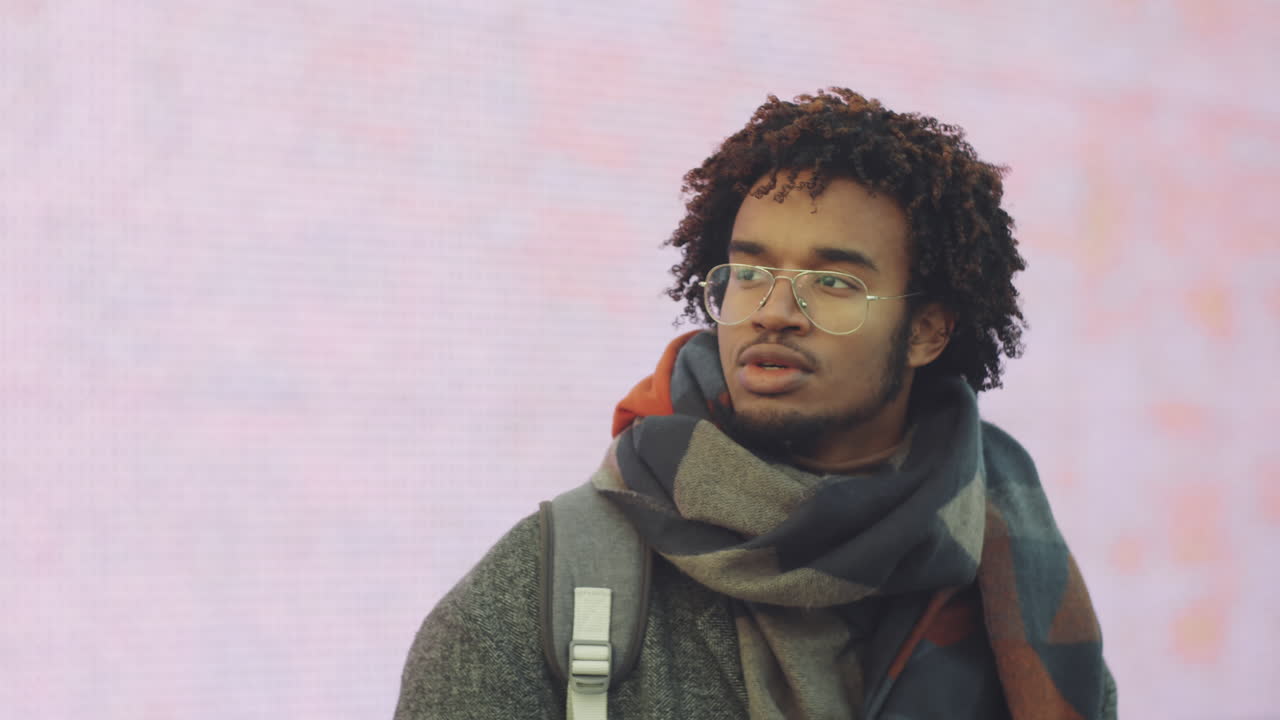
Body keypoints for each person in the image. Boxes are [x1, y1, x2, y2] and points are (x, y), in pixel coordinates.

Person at [394, 88, 1116, 720]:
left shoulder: (1009, 566)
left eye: (833, 282)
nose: (774, 311)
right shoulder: (537, 598)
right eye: (749, 271)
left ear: (927, 331)